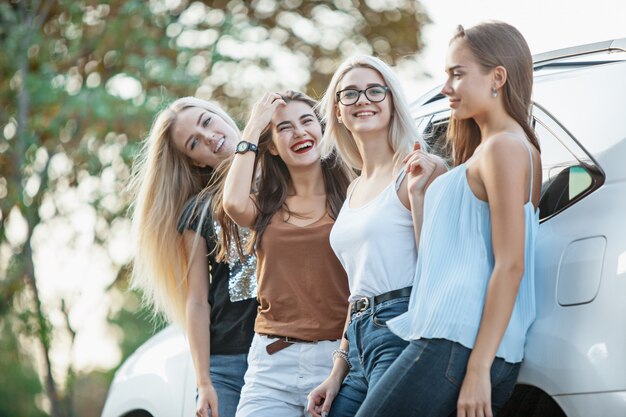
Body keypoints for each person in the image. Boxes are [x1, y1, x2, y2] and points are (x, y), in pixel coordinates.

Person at [354, 21, 542, 417]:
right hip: (451, 342)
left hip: (457, 345)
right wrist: (421, 196)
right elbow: (440, 259)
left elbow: (511, 265)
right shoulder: (490, 150)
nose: (446, 87)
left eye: (457, 74)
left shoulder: (505, 149)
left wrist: (477, 371)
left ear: (498, 77)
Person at [306, 55, 446, 417]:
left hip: (402, 327)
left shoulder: (419, 168)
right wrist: (336, 373)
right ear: (337, 111)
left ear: (391, 101)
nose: (363, 100)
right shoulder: (353, 189)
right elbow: (358, 289)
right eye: (349, 94)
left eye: (374, 90)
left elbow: (439, 263)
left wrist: (417, 197)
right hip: (358, 341)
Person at [220, 90, 353, 417]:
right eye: (284, 128)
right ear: (272, 148)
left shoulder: (353, 193)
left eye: (307, 121)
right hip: (272, 359)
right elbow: (233, 203)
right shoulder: (265, 205)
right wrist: (253, 127)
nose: (300, 132)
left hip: (339, 358)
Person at [128, 97, 258, 417]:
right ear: (196, 162)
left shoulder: (285, 179)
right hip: (228, 363)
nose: (209, 137)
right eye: (194, 143)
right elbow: (197, 301)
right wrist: (204, 383)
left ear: (220, 115)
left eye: (206, 121)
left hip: (287, 349)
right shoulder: (198, 212)